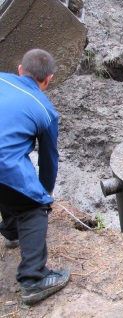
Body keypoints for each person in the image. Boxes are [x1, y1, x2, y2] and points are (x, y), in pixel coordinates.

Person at [0, 49, 70, 305]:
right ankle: (34, 279)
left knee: (11, 182)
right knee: (33, 205)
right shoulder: (45, 110)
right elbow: (48, 160)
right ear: (49, 79)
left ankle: (10, 230)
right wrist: (44, 196)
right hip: (2, 162)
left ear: (20, 69)